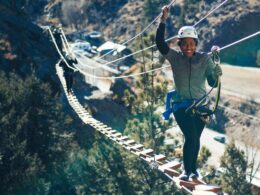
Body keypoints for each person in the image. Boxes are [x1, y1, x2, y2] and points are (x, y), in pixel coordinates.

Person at [156, 6, 222, 181]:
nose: (188, 47)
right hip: (181, 105)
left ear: (196, 44)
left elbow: (212, 83)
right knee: (191, 136)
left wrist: (215, 69)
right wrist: (163, 20)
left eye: (192, 43)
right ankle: (187, 171)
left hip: (201, 106)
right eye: (184, 43)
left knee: (195, 138)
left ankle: (193, 170)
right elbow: (160, 44)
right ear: (179, 45)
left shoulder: (204, 59)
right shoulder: (175, 58)